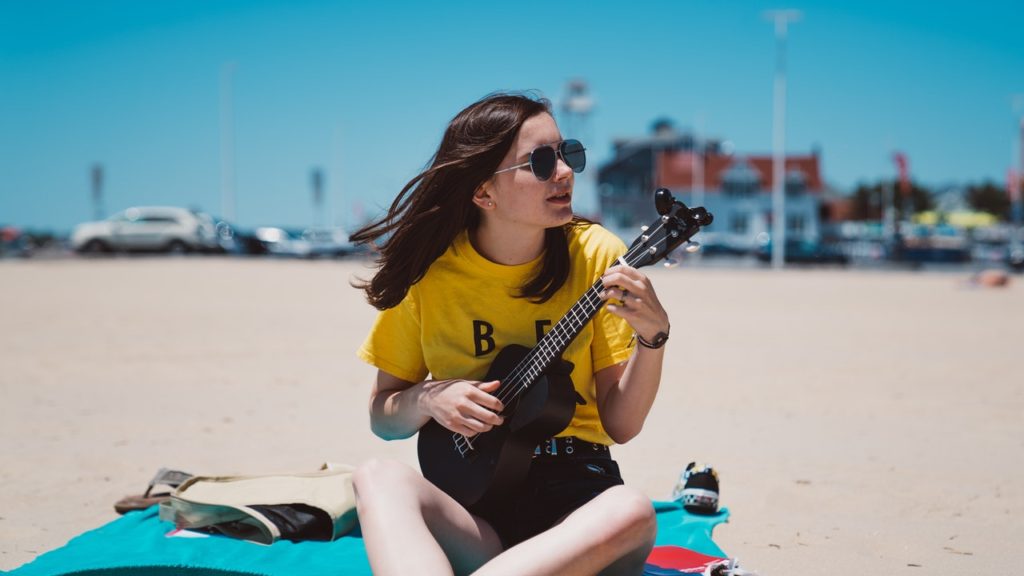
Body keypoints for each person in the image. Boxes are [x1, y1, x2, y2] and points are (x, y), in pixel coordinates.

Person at [349, 92, 672, 576]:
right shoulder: (432, 274)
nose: (564, 171)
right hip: (480, 518)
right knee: (375, 476)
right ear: (484, 193)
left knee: (632, 509)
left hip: (579, 508)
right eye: (540, 162)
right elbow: (384, 416)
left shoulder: (597, 256)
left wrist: (653, 339)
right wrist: (430, 399)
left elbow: (621, 425)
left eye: (568, 154)